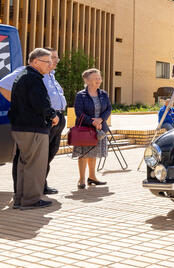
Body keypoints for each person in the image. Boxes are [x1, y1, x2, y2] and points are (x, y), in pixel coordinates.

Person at [0, 47, 66, 197]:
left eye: (55, 59)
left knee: (45, 157)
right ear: (37, 61)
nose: (54, 62)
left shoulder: (50, 75)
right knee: (29, 159)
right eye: (50, 59)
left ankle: (40, 184)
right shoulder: (28, 73)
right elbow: (3, 85)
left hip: (55, 119)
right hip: (39, 120)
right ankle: (25, 193)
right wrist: (21, 105)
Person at [9, 48, 58, 210]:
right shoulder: (33, 78)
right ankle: (31, 200)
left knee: (25, 164)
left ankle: (20, 199)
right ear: (36, 62)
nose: (51, 64)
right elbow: (40, 103)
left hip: (21, 127)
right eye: (48, 61)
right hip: (33, 128)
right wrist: (53, 115)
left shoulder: (23, 76)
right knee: (35, 165)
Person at [73, 69, 111, 189]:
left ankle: (92, 177)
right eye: (95, 78)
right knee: (83, 154)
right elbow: (79, 113)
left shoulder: (103, 94)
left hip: (99, 128)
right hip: (85, 129)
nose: (98, 80)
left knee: (93, 153)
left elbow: (108, 109)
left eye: (99, 78)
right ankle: (82, 179)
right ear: (87, 80)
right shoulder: (81, 95)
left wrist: (100, 120)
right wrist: (92, 121)